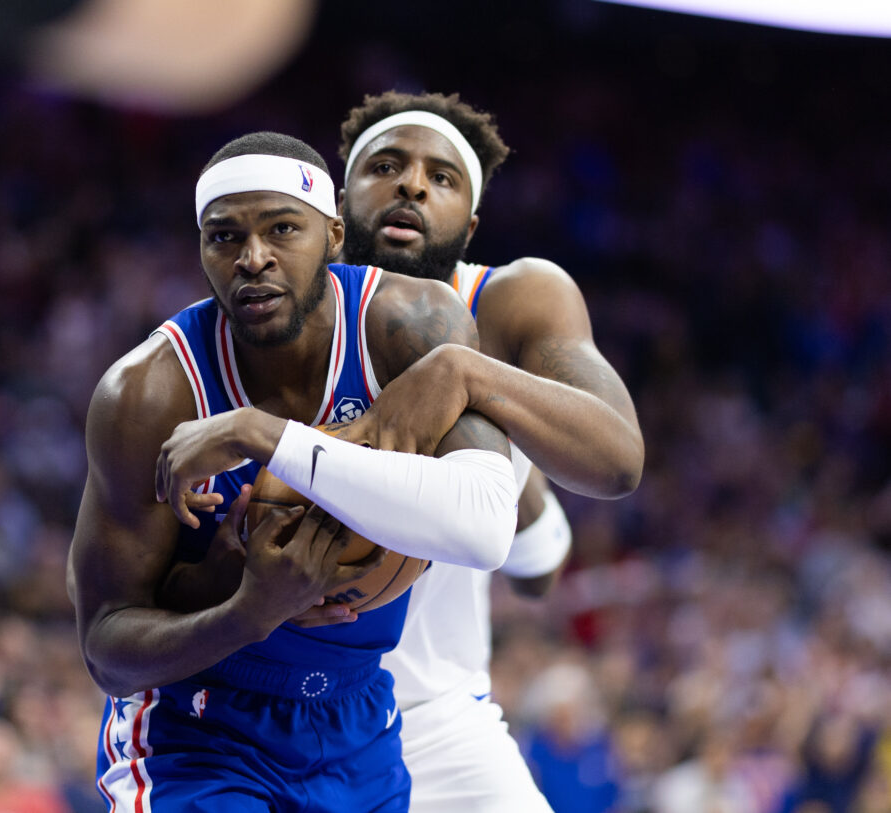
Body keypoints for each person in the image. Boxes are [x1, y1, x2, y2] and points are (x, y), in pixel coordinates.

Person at [69, 130, 525, 811]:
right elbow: (107, 650)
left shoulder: (413, 323)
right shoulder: (147, 393)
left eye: (283, 229)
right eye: (224, 238)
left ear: (335, 233)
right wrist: (249, 610)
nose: (253, 259)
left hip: (360, 718)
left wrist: (274, 441)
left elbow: (487, 528)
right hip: (199, 729)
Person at [331, 90, 644, 811]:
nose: (413, 183)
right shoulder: (282, 297)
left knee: (534, 544)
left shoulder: (509, 297)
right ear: (339, 202)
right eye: (387, 165)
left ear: (469, 225)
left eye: (442, 177)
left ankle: (516, 473)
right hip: (278, 716)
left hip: (437, 721)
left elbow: (619, 457)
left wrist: (463, 370)